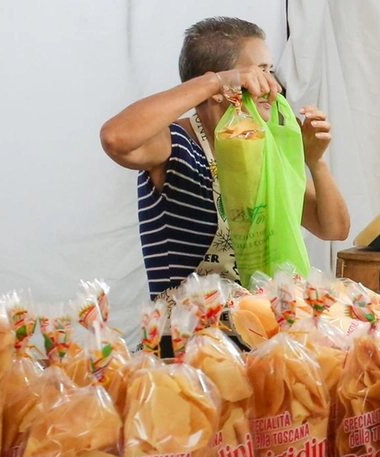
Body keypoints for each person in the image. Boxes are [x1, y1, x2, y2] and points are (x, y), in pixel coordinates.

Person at [100, 17, 351, 300]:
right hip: (190, 336)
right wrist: (214, 82)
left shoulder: (262, 146)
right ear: (221, 88)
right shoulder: (176, 143)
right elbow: (115, 138)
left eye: (271, 71)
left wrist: (316, 162)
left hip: (261, 329)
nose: (273, 87)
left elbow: (334, 229)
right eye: (259, 73)